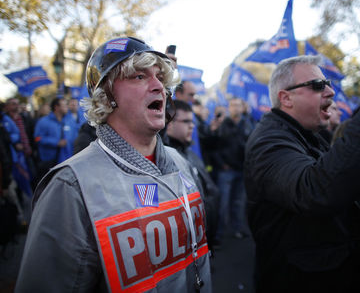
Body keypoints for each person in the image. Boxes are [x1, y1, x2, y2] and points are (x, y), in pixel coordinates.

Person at [16, 37, 212, 292]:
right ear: (106, 96)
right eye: (140, 77)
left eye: (160, 78)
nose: (158, 87)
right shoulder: (70, 187)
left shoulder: (179, 162)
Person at [244, 37, 360, 293]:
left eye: (327, 83)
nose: (331, 92)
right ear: (286, 98)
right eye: (318, 85)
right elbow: (317, 190)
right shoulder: (268, 143)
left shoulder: (308, 135)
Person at [165, 99, 220, 251]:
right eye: (186, 121)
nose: (192, 126)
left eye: (193, 121)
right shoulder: (166, 160)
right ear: (170, 124)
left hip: (204, 242)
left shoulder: (189, 153)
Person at [213, 97, 253, 243]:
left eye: (238, 105)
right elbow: (214, 146)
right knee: (223, 203)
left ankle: (237, 230)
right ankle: (218, 234)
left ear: (242, 108)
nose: (235, 108)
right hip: (226, 170)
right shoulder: (222, 124)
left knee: (239, 203)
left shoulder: (247, 124)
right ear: (229, 107)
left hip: (241, 169)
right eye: (232, 105)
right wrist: (222, 163)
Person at [33, 97, 76, 181]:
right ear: (57, 107)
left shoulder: (69, 120)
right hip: (50, 161)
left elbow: (74, 136)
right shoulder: (44, 121)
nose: (67, 107)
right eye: (64, 105)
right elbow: (37, 138)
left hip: (67, 160)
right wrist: (56, 142)